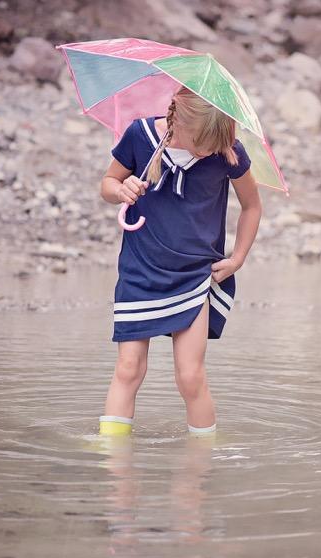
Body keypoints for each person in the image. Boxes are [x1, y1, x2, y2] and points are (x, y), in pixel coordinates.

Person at [98, 86, 262, 437]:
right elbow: (108, 184)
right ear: (176, 114)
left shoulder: (227, 151)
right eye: (201, 144)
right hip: (141, 269)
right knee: (128, 368)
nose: (207, 152)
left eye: (213, 146)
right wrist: (120, 190)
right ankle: (112, 466)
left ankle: (200, 467)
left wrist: (237, 258)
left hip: (195, 275)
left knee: (190, 375)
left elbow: (252, 206)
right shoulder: (139, 136)